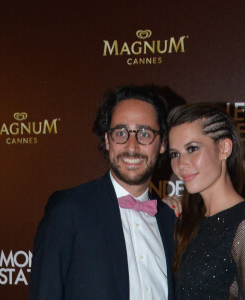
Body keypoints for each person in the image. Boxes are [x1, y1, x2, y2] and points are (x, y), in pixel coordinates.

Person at [29, 85, 175, 300]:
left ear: (162, 143)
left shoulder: (170, 220)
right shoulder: (69, 210)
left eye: (145, 133)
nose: (132, 146)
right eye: (121, 133)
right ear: (107, 140)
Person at [166, 103, 245, 299]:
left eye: (192, 148)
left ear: (224, 148)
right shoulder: (186, 218)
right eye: (175, 154)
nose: (181, 164)